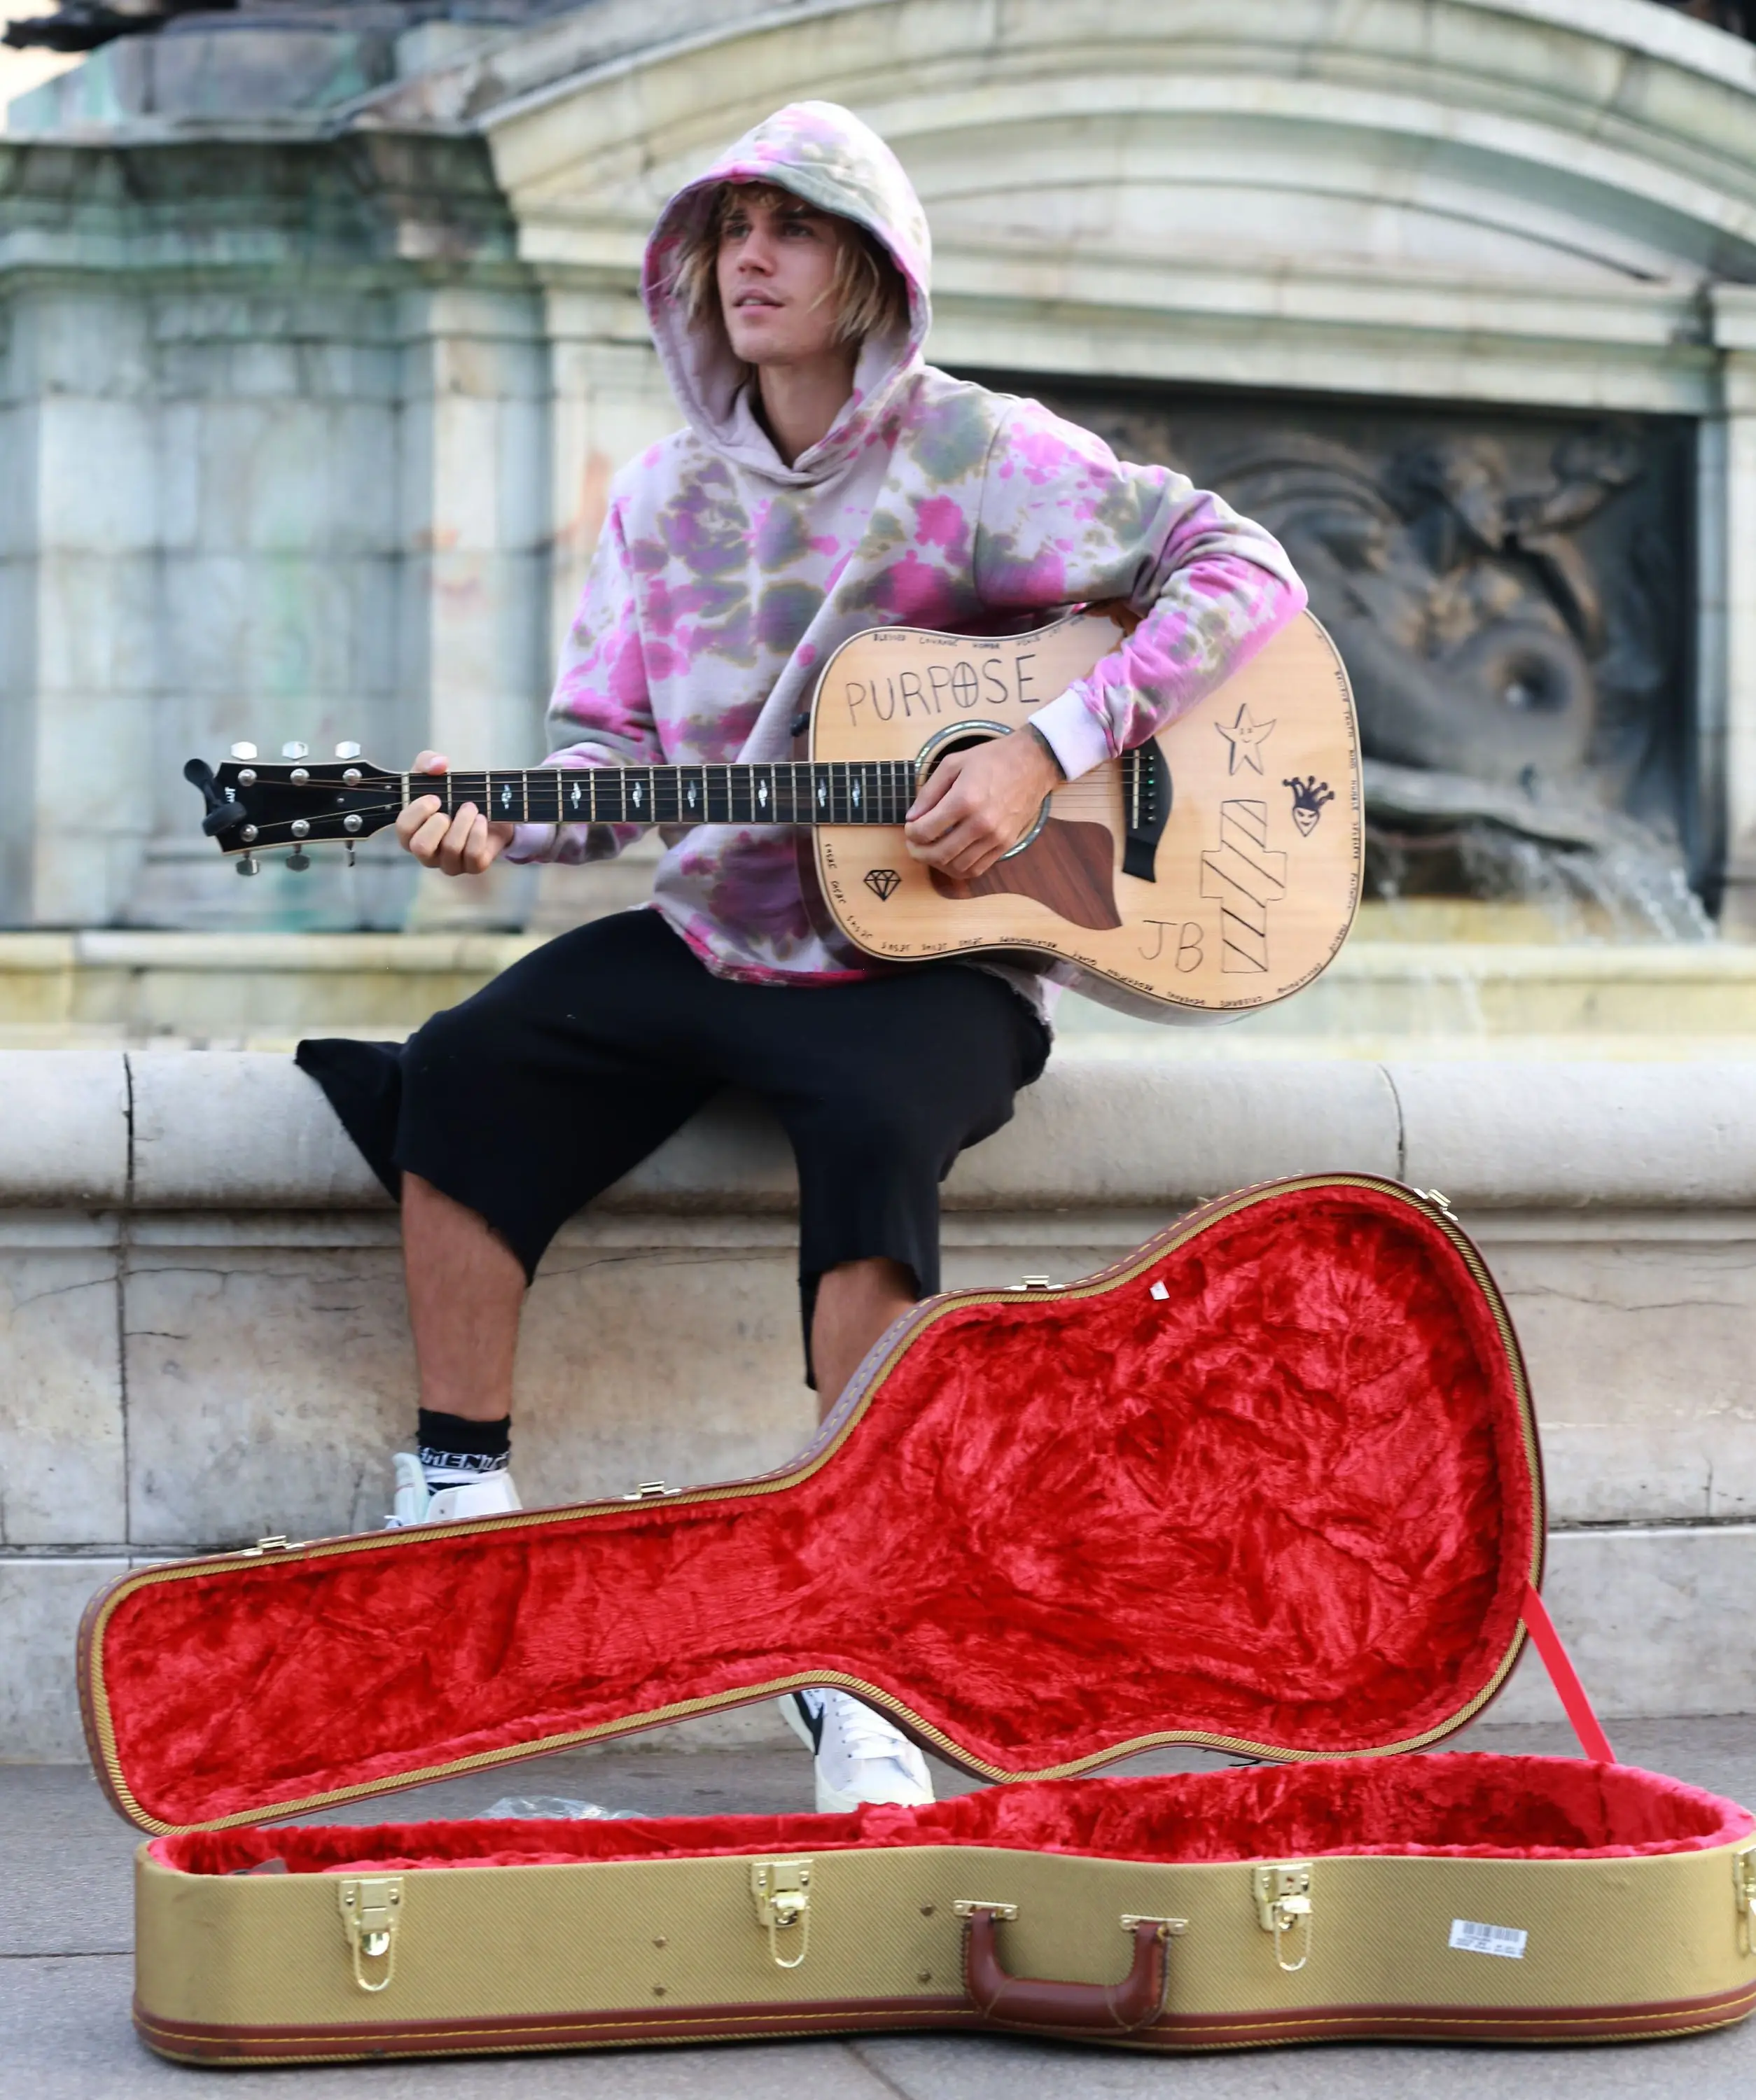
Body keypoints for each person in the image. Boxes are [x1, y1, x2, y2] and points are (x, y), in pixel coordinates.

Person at [297, 101, 1306, 1812]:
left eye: (792, 228)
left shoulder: (983, 458)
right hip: (718, 934)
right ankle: (458, 1501)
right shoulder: (664, 501)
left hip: (935, 967)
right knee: (465, 1060)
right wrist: (496, 822)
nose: (749, 259)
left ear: (874, 271)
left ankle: (863, 1633)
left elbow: (1242, 565)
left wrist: (1051, 741)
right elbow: (612, 766)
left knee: (869, 1122)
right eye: (727, 231)